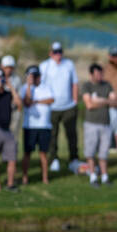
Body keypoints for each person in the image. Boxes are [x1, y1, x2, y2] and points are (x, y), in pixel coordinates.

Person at [39, 41, 79, 172]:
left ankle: (74, 159)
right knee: (52, 135)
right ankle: (53, 159)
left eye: (60, 52)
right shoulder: (44, 66)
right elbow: (41, 86)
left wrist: (75, 101)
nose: (58, 55)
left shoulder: (69, 64)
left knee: (71, 134)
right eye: (55, 52)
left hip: (68, 106)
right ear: (50, 53)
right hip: (52, 107)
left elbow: (74, 83)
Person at [80, 63, 114, 187]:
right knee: (90, 151)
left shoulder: (107, 85)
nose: (100, 76)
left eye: (101, 73)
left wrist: (98, 100)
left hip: (106, 124)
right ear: (91, 75)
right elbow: (89, 105)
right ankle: (93, 176)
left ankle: (105, 176)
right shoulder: (86, 86)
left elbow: (114, 100)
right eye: (97, 74)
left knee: (103, 152)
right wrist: (105, 101)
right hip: (91, 124)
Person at [21, 65, 54, 185]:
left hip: (44, 126)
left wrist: (37, 101)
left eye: (36, 76)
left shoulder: (46, 87)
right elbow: (27, 102)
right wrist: (29, 86)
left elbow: (51, 100)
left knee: (43, 153)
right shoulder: (25, 88)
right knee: (27, 153)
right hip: (30, 126)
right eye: (32, 76)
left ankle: (45, 177)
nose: (35, 79)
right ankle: (25, 177)